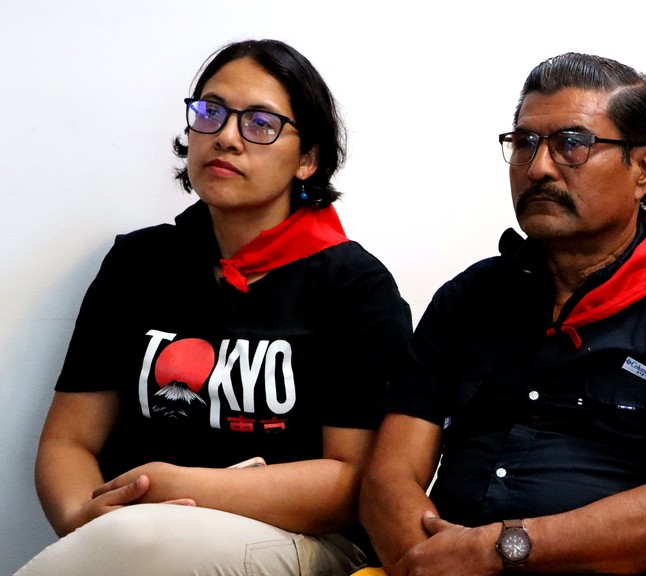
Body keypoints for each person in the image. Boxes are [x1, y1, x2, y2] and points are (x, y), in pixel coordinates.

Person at [359, 52, 646, 576]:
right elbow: (388, 478)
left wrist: (496, 552)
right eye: (524, 143)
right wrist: (425, 564)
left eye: (572, 144)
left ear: (644, 169)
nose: (538, 168)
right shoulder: (469, 298)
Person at [16, 39, 412, 576]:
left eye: (260, 123)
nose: (226, 136)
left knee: (143, 538)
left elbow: (352, 481)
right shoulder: (137, 263)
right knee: (136, 541)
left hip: (301, 540)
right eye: (210, 112)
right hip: (132, 535)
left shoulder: (355, 286)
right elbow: (69, 440)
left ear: (309, 159)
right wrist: (84, 518)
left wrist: (176, 488)